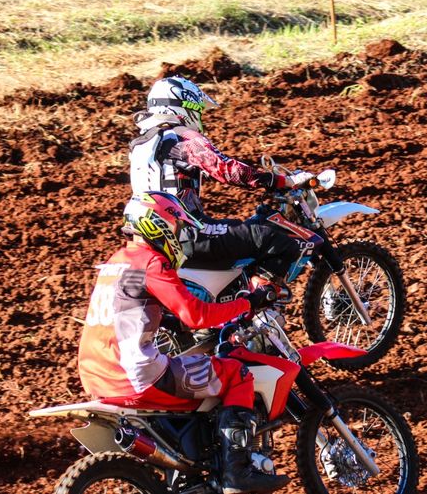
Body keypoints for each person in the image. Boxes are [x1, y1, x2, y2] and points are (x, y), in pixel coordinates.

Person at [78, 191, 290, 493]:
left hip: (95, 376)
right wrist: (249, 303)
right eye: (177, 227)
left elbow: (128, 310)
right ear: (158, 225)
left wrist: (168, 320)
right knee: (236, 374)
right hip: (136, 377)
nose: (179, 236)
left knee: (188, 366)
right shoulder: (151, 262)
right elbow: (196, 314)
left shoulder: (118, 262)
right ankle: (237, 473)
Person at [129, 76, 315, 292]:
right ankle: (256, 302)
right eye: (199, 110)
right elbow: (225, 168)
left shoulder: (143, 143)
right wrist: (279, 181)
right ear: (185, 107)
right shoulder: (180, 136)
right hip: (188, 234)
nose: (200, 117)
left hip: (149, 235)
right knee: (278, 239)